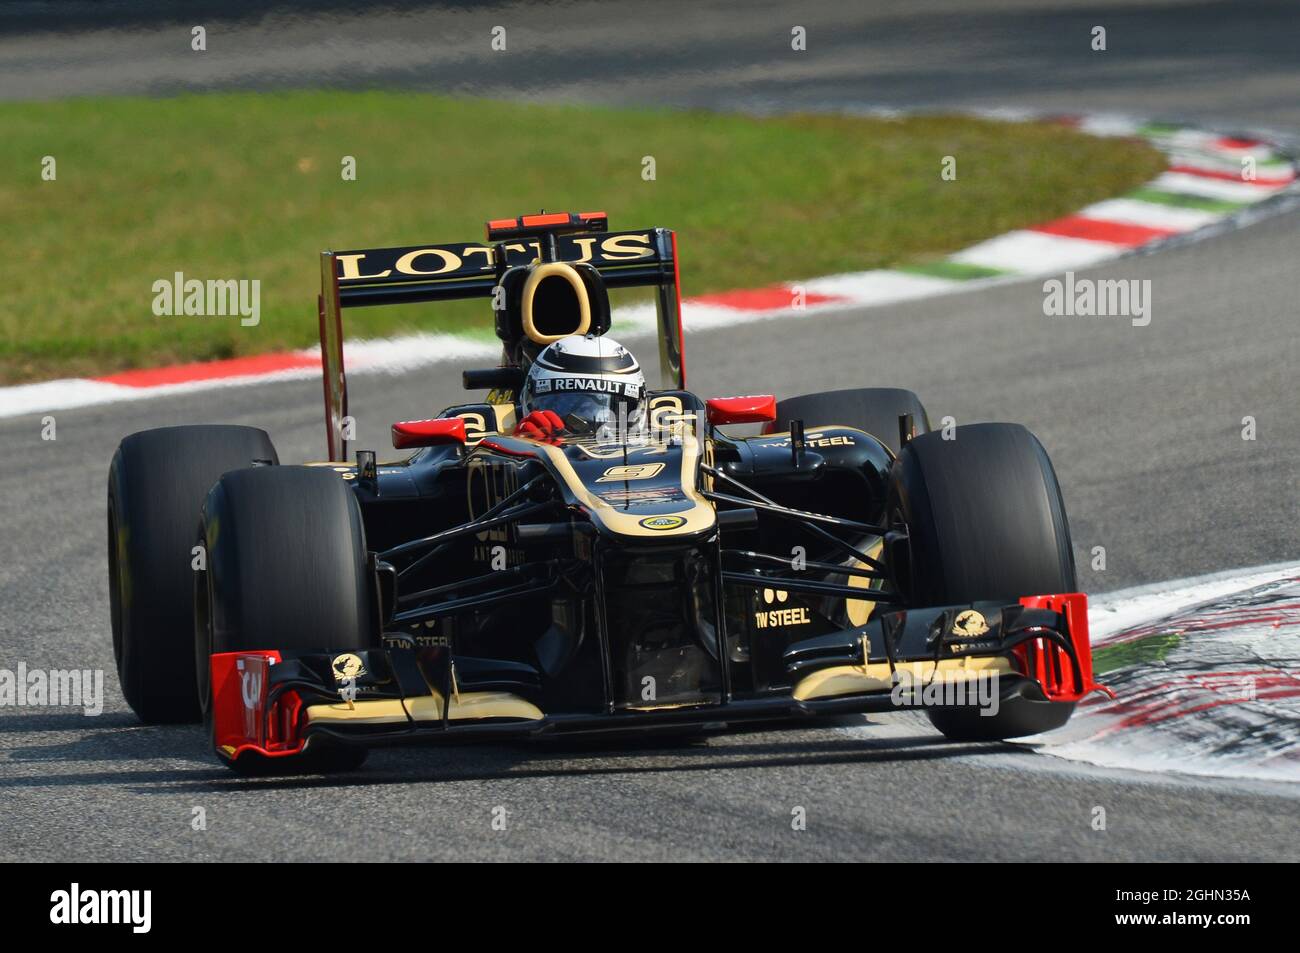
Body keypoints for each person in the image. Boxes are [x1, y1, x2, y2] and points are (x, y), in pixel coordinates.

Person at [514, 334, 646, 444]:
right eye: (566, 404)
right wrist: (521, 451)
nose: (586, 430)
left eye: (595, 408)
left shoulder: (662, 437)